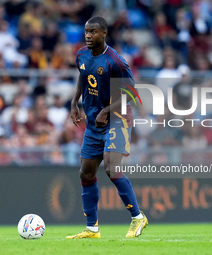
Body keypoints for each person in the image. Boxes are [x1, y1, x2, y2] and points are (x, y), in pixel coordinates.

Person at [66, 16, 148, 239]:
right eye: (86, 31)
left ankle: (138, 218)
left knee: (111, 167)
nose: (88, 36)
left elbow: (132, 93)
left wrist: (107, 110)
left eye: (93, 32)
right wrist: (75, 102)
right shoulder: (81, 54)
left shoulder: (115, 61)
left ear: (104, 33)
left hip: (117, 119)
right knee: (86, 172)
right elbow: (83, 76)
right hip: (94, 122)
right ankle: (92, 228)